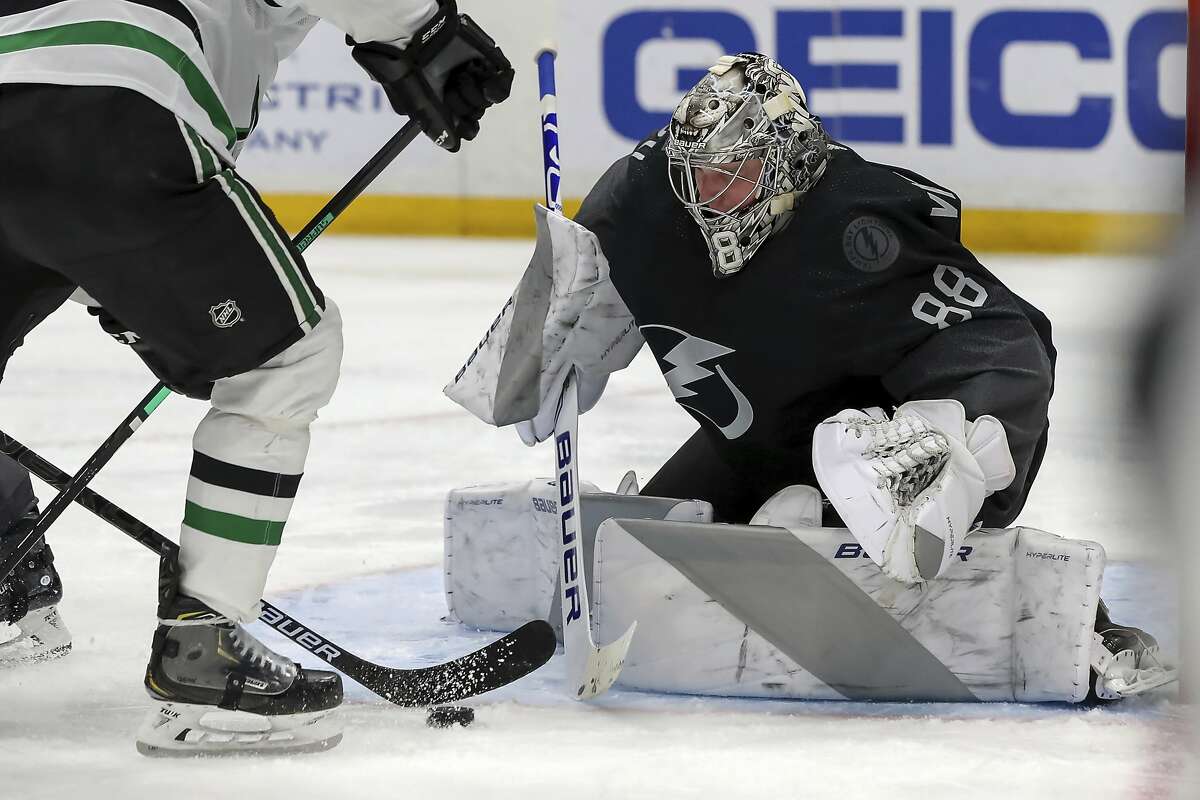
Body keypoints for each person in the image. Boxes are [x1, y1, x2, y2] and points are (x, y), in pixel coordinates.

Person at [463, 52, 1170, 702]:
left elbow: (1005, 340)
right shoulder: (640, 200)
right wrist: (547, 338)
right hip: (753, 440)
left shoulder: (862, 224)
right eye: (695, 172)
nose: (705, 195)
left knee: (836, 504)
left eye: (730, 174)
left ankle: (1028, 589)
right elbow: (564, 300)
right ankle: (794, 521)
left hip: (854, 441)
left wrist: (945, 439)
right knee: (643, 547)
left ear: (788, 162)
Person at [0, 0, 513, 755]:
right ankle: (201, 655)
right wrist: (423, 31)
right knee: (289, 353)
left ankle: (8, 579)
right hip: (115, 102)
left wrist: (129, 298)